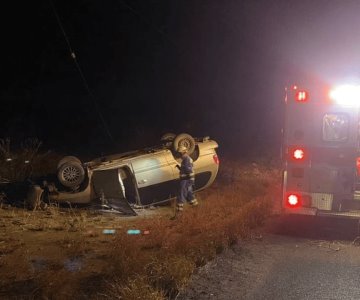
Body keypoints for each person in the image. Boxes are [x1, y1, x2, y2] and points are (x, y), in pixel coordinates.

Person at [176, 145, 198, 211]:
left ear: (183, 152)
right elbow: (185, 170)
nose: (178, 154)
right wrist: (179, 167)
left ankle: (179, 210)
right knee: (189, 193)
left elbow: (189, 170)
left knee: (182, 193)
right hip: (187, 179)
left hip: (186, 180)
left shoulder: (186, 159)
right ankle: (195, 206)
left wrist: (191, 180)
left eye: (179, 153)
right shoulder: (186, 159)